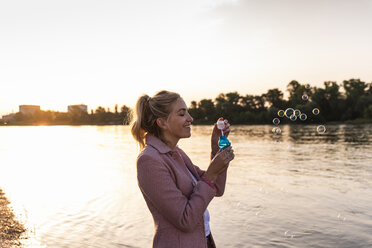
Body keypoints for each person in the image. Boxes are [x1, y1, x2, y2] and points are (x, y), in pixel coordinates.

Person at [131, 90, 235, 248]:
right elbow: (185, 220)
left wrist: (216, 149)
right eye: (182, 114)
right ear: (162, 123)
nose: (190, 118)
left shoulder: (176, 153)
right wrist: (212, 172)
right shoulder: (149, 161)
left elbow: (217, 188)